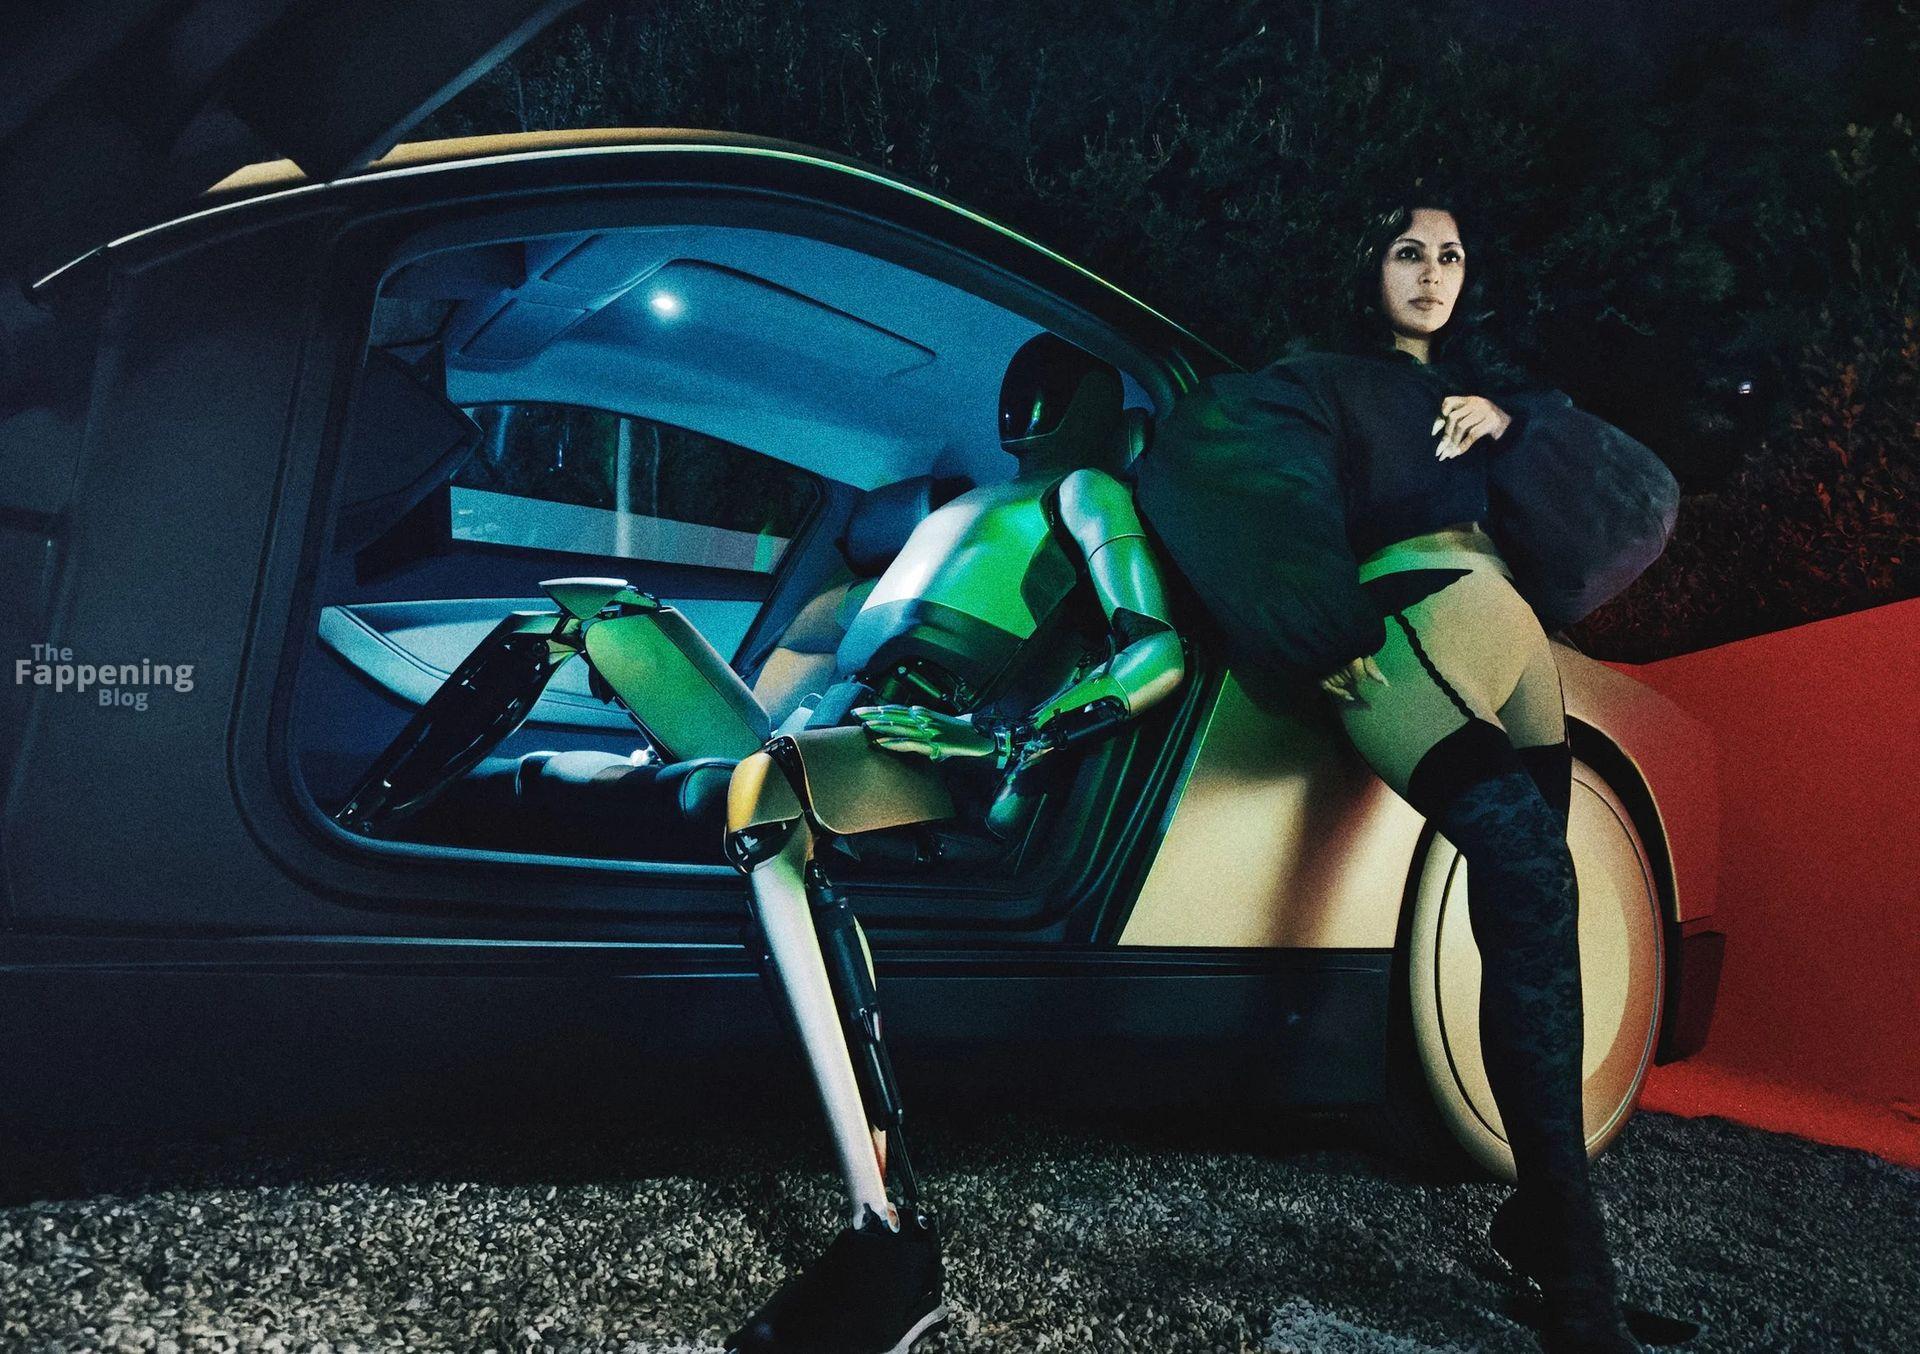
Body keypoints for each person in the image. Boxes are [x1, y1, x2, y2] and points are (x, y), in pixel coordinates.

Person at [1134, 198, 1679, 1354]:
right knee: (1529, 873)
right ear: (1368, 267)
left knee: (1536, 919)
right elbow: (1207, 446)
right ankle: (1582, 1292)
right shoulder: (1323, 379)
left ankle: (1552, 1230)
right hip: (1412, 623)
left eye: (1451, 256)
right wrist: (1315, 623)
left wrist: (1514, 421)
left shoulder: (1480, 399)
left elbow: (1634, 494)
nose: (1432, 272)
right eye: (1408, 252)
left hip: (1517, 643)